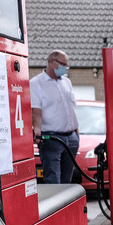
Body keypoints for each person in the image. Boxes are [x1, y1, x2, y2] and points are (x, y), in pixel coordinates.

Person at [30, 50, 79, 184]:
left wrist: (76, 134)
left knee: (67, 180)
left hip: (71, 138)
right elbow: (36, 111)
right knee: (53, 178)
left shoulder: (67, 82)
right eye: (63, 64)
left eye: (66, 65)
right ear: (52, 62)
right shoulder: (36, 83)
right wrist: (38, 131)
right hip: (52, 138)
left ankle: (66, 204)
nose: (65, 68)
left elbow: (71, 109)